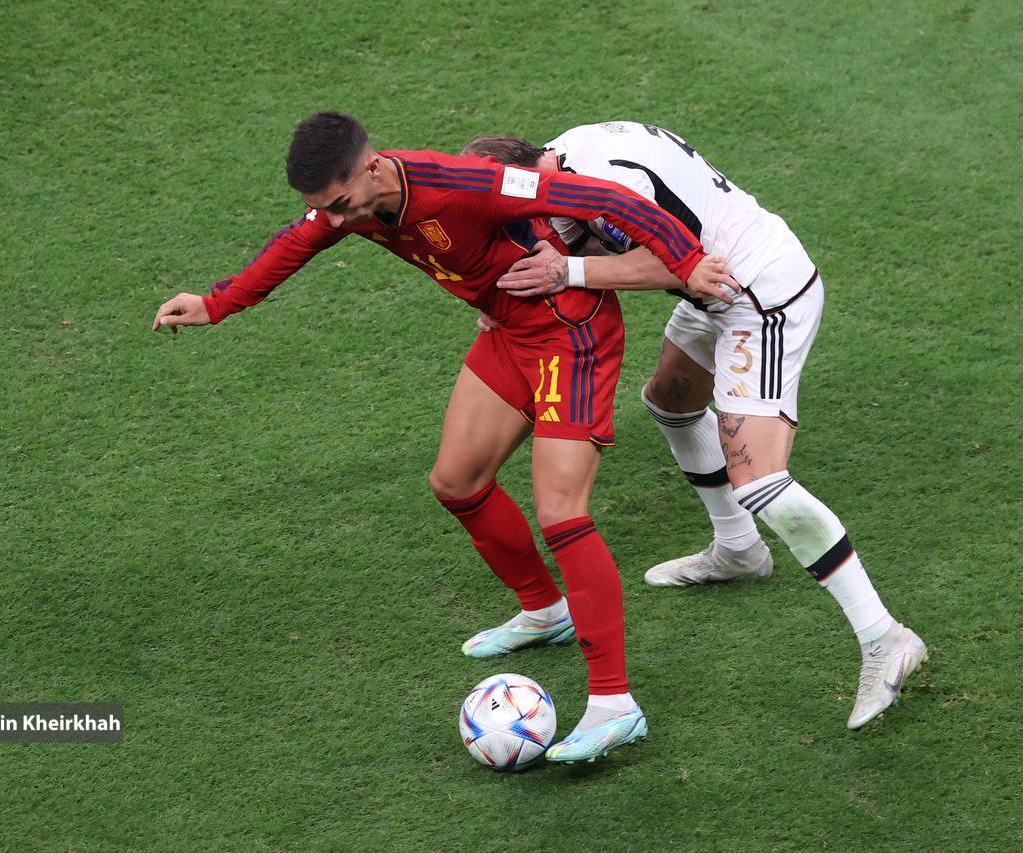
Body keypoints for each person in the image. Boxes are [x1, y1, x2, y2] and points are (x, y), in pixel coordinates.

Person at [152, 112, 739, 760]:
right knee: (457, 482)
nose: (336, 221)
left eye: (340, 204)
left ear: (372, 166)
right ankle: (546, 611)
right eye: (325, 209)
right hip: (511, 332)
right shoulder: (350, 206)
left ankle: (614, 703)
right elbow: (295, 242)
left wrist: (687, 261)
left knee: (561, 511)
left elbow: (602, 197)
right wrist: (216, 304)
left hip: (571, 334)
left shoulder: (465, 183)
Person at [463, 122, 926, 730]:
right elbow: (589, 240)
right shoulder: (565, 160)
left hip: (758, 296)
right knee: (671, 401)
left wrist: (564, 274)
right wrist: (510, 295)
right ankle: (738, 550)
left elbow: (676, 263)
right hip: (717, 290)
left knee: (760, 479)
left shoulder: (610, 178)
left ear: (523, 178)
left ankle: (884, 636)